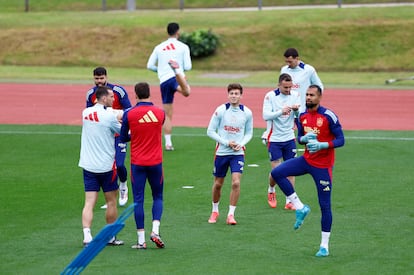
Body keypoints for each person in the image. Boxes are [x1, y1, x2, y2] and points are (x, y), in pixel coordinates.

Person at [268, 84, 345, 257]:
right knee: (277, 173)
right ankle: (299, 207)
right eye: (307, 95)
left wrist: (323, 145)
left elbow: (341, 140)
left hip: (323, 167)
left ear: (319, 97)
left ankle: (324, 246)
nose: (308, 97)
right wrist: (303, 138)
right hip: (306, 160)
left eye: (312, 95)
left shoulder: (328, 116)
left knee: (325, 206)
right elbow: (299, 137)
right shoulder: (302, 115)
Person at [120, 82, 166, 250]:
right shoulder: (160, 113)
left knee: (138, 200)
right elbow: (156, 129)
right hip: (156, 162)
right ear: (150, 93)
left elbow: (123, 137)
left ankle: (141, 240)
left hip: (137, 163)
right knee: (158, 197)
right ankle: (155, 230)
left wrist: (135, 134)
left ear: (136, 95)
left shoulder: (129, 114)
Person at [78, 86, 125, 247]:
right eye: (111, 97)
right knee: (112, 201)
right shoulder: (109, 117)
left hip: (88, 165)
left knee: (89, 202)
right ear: (104, 98)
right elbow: (123, 133)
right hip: (106, 167)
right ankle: (110, 236)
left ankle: (86, 235)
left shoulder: (85, 113)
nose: (113, 99)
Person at [206, 83, 253, 225]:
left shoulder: (247, 112)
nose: (234, 96)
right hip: (221, 152)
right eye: (231, 93)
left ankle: (231, 214)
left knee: (236, 182)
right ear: (228, 95)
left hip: (237, 153)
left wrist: (241, 143)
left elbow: (249, 132)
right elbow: (210, 131)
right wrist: (226, 143)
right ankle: (215, 210)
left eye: (236, 93)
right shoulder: (221, 110)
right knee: (218, 184)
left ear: (241, 95)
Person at [86, 66, 132, 208]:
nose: (99, 81)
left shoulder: (118, 91)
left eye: (101, 78)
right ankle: (111, 196)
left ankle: (123, 184)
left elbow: (129, 110)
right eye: (96, 78)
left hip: (118, 134)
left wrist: (117, 117)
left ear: (106, 77)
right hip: (102, 136)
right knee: (106, 166)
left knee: (118, 164)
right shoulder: (90, 94)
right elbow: (88, 113)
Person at [147, 22, 192, 151]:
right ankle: (177, 72)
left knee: (167, 114)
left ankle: (168, 143)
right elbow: (188, 66)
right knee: (187, 92)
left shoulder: (159, 47)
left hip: (164, 80)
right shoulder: (183, 46)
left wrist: (160, 70)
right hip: (177, 77)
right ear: (178, 32)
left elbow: (150, 65)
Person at [262, 73, 300, 210]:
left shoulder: (295, 95)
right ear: (279, 85)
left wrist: (296, 111)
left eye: (290, 87)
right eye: (285, 87)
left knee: (291, 170)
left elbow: (298, 116)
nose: (288, 90)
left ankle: (290, 201)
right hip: (275, 138)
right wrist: (280, 112)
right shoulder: (270, 96)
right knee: (277, 172)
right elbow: (265, 115)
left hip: (289, 137)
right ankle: (271, 190)